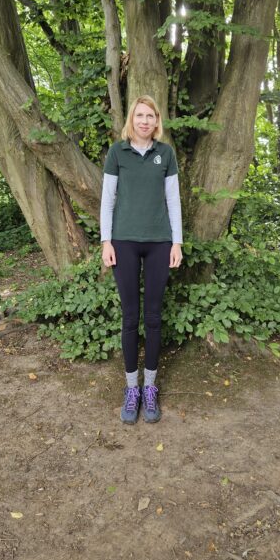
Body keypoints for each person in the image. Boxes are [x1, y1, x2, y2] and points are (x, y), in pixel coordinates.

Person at [100, 95, 183, 424]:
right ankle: (131, 388)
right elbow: (107, 200)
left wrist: (177, 242)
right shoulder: (117, 152)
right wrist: (106, 241)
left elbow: (173, 200)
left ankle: (150, 388)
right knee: (130, 316)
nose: (145, 121)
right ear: (131, 120)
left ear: (157, 120)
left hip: (160, 242)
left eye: (151, 115)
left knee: (152, 316)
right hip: (124, 243)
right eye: (140, 115)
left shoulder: (166, 154)